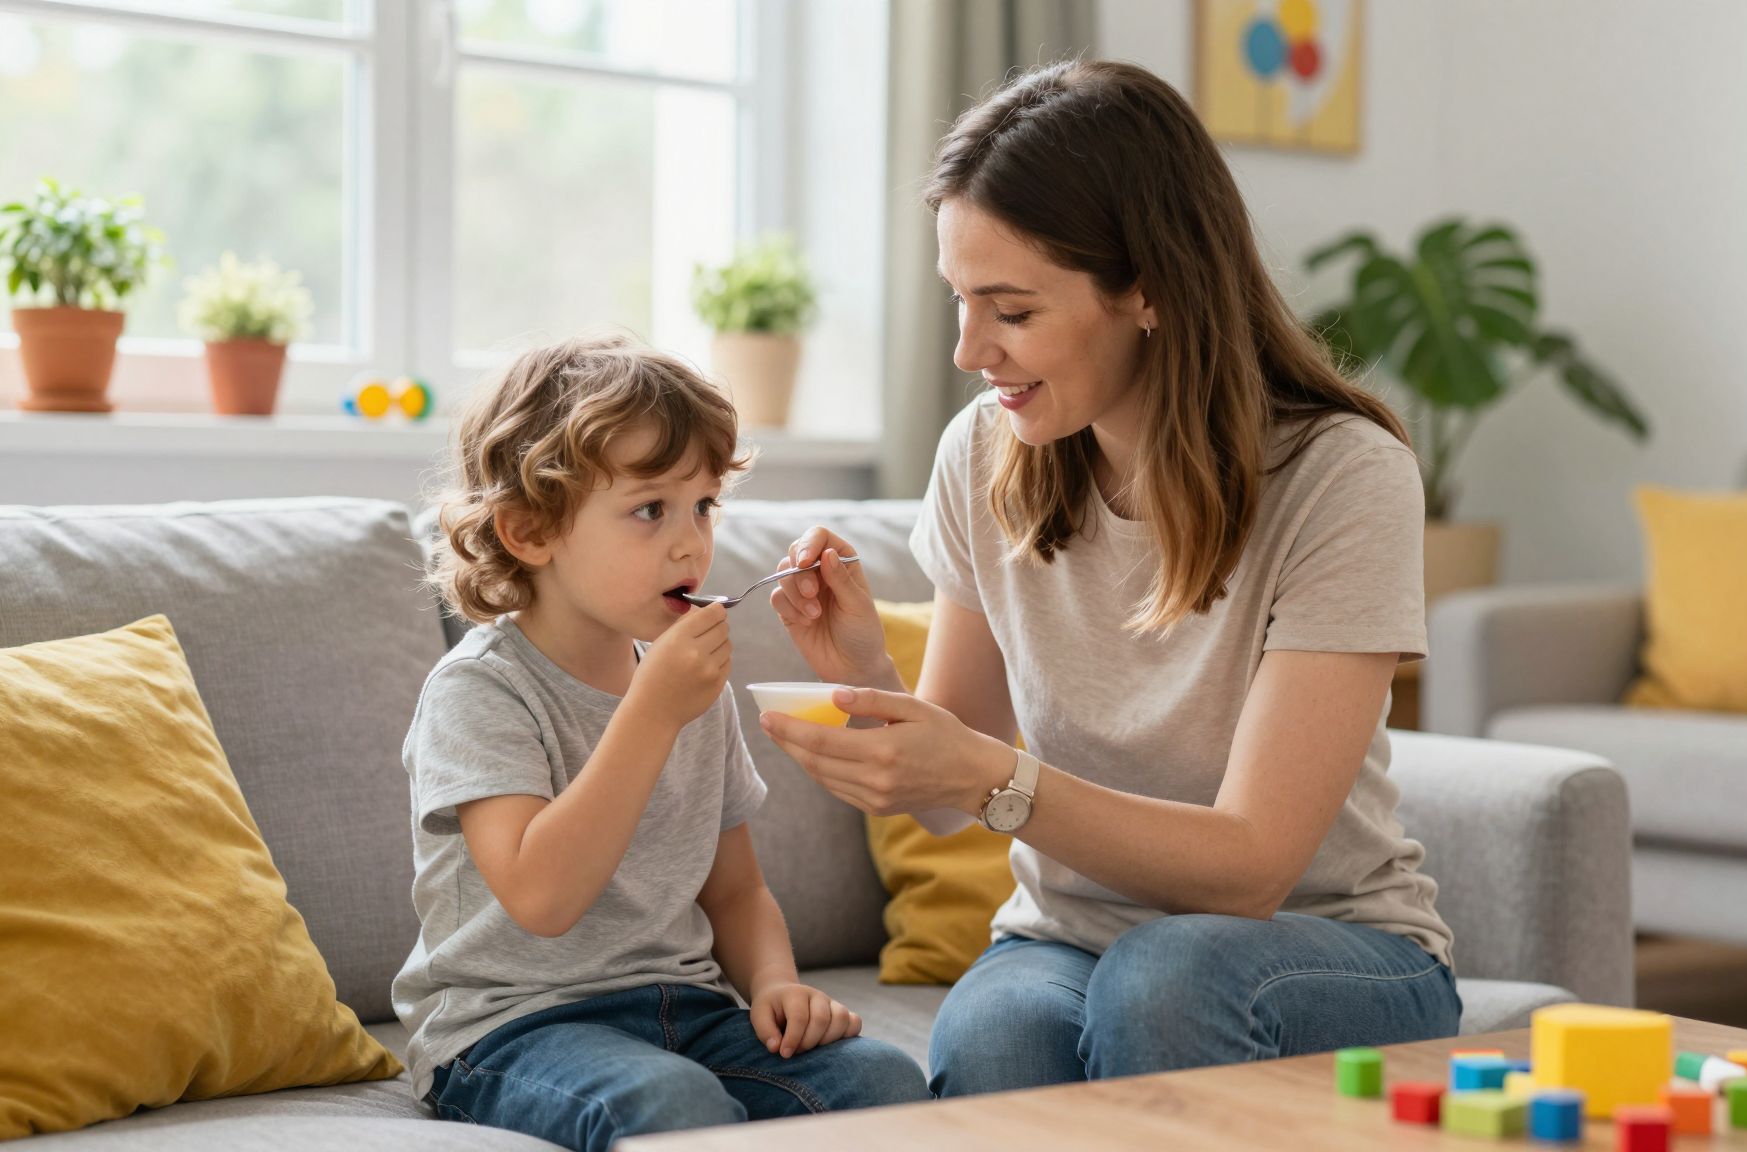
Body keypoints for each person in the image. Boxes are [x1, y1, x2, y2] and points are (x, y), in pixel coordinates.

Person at [758, 60, 1462, 1097]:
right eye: (960, 301)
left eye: (1011, 310)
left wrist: (987, 778)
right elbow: (953, 802)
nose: (967, 350)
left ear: (1146, 286)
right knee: (997, 1037)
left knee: (1164, 980)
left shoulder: (1341, 476)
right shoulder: (983, 455)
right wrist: (864, 672)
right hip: (1065, 937)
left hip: (1321, 944)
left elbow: (1252, 863)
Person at [395, 332, 928, 1151]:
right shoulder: (482, 692)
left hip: (692, 1010)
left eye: (704, 505)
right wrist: (651, 712)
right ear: (530, 530)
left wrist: (777, 984)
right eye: (651, 510)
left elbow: (736, 893)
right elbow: (542, 897)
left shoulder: (684, 687)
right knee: (672, 1108)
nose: (691, 543)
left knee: (883, 1083)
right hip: (511, 1030)